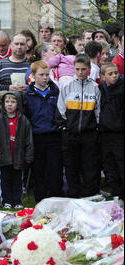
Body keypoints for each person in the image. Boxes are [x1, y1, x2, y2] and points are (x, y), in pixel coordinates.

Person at [56, 53, 101, 198]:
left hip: (89, 134)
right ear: (74, 69)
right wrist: (64, 128)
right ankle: (73, 195)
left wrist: (97, 129)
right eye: (77, 69)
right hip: (71, 133)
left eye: (83, 69)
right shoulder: (67, 86)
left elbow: (98, 111)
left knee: (90, 166)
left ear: (89, 68)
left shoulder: (95, 87)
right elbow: (60, 108)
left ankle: (89, 195)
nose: (80, 72)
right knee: (71, 166)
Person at [23, 60, 62, 203]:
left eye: (47, 74)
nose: (45, 77)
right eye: (41, 75)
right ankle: (41, 200)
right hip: (36, 136)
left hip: (54, 136)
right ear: (33, 75)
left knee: (55, 169)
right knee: (38, 170)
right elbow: (26, 115)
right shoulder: (28, 94)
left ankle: (56, 199)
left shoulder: (55, 92)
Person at [0, 91, 33, 209]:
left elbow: (29, 139)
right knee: (5, 180)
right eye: (7, 102)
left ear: (18, 104)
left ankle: (17, 200)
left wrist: (29, 156)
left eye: (13, 102)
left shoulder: (23, 120)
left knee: (18, 181)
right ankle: (6, 201)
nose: (9, 104)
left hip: (19, 157)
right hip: (4, 157)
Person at [98, 63, 123, 200]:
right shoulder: (100, 90)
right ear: (103, 77)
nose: (114, 76)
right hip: (104, 134)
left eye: (116, 73)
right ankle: (116, 195)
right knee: (109, 166)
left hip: (119, 134)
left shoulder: (121, 88)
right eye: (110, 74)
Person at [0, 33, 30, 97]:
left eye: (22, 44)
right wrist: (7, 88)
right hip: (5, 105)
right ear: (11, 45)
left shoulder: (33, 65)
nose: (19, 47)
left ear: (27, 46)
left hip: (28, 105)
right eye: (16, 44)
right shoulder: (0, 65)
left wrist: (29, 88)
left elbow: (41, 85)